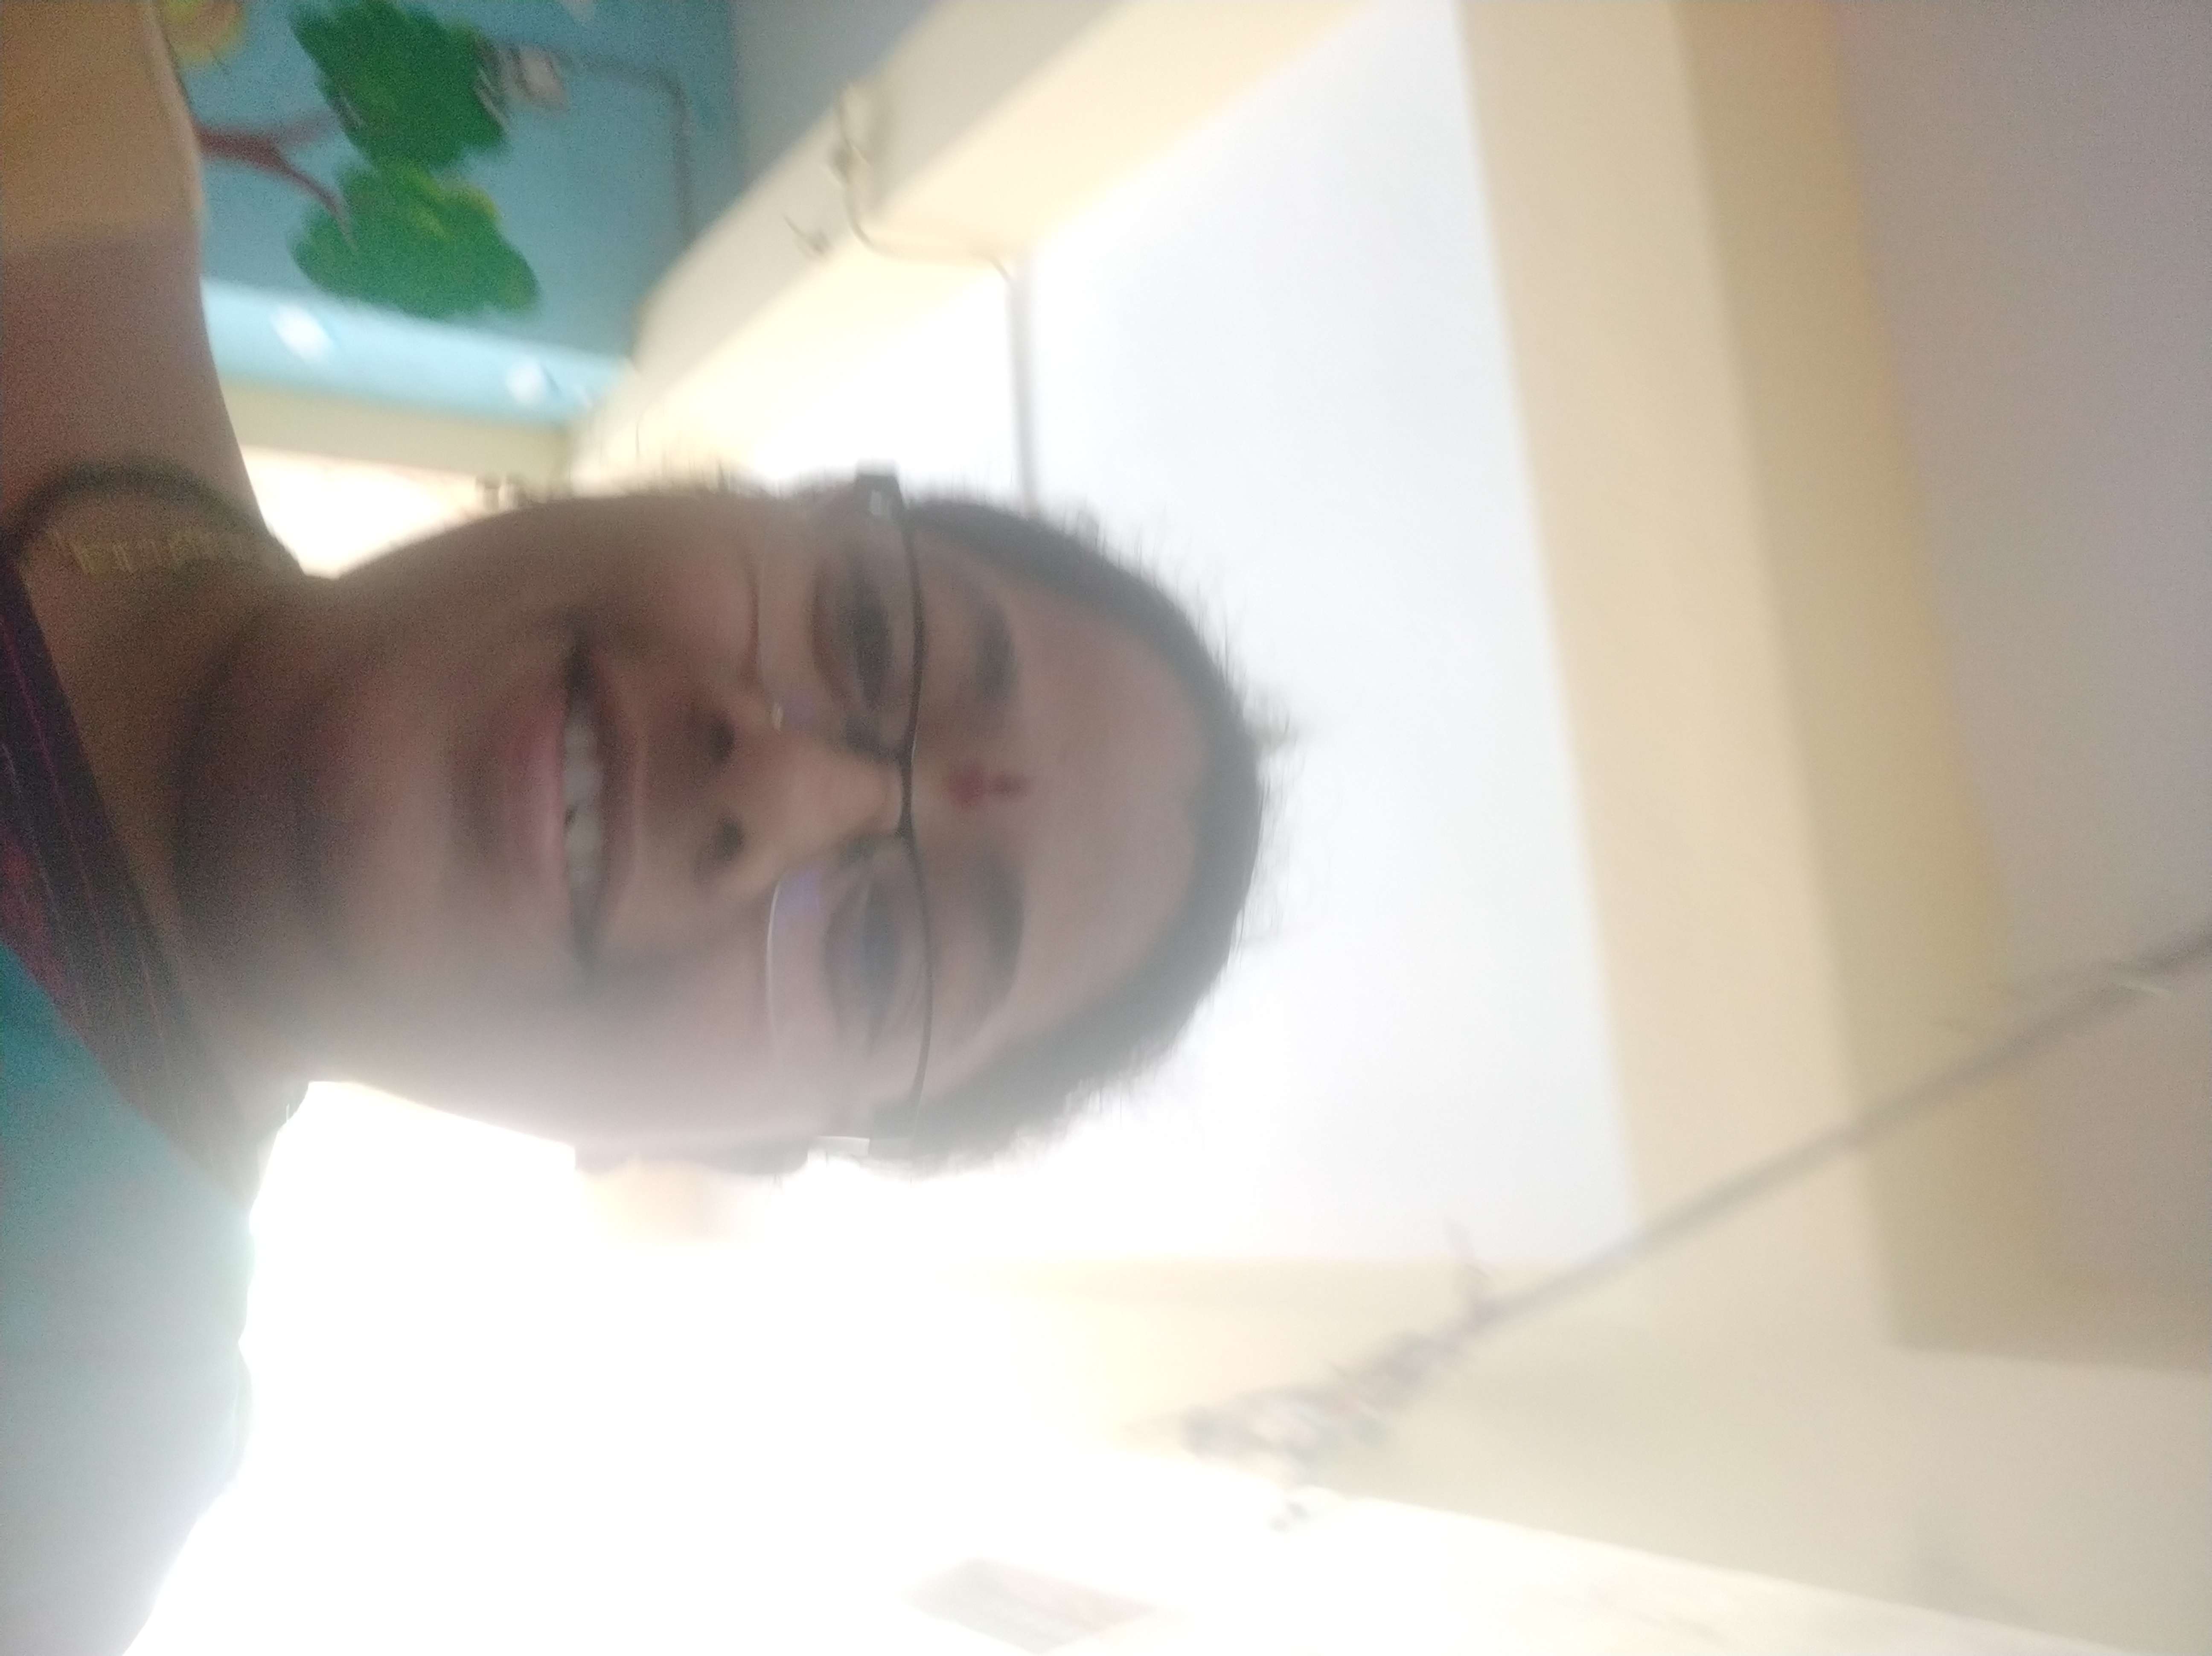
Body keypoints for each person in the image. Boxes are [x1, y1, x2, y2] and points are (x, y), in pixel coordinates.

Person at [0, 10, 1265, 1650]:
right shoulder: (54, 93)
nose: (779, 792)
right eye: (870, 636)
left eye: (882, 955)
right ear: (735, 493)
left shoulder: (59, 1467)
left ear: (731, 1141)